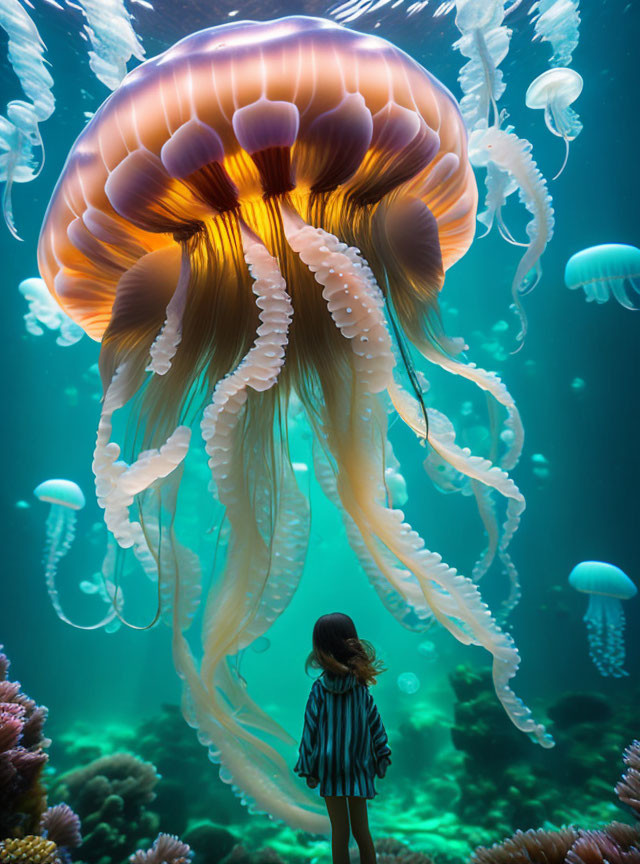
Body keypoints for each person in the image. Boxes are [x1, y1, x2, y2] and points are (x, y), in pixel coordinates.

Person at [294, 612, 391, 864]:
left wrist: (308, 768)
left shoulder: (319, 690)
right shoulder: (360, 687)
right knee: (362, 831)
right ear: (351, 642)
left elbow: (310, 730)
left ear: (321, 648)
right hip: (359, 766)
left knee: (340, 832)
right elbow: (375, 723)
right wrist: (382, 753)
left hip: (330, 767)